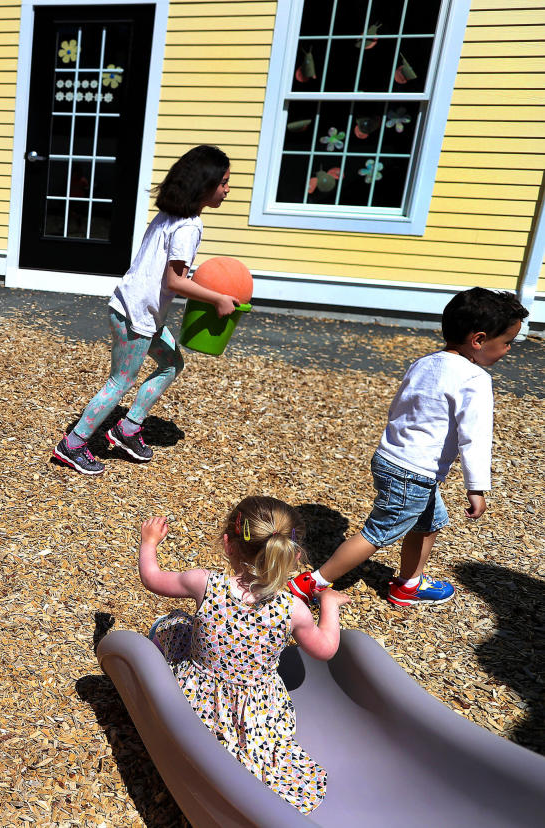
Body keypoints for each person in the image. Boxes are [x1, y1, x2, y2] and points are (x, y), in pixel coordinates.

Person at [289, 288, 528, 607]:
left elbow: (400, 407)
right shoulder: (474, 379)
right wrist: (477, 488)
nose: (509, 350)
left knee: (429, 522)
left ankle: (408, 585)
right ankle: (308, 585)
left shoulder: (426, 362)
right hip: (413, 473)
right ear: (479, 339)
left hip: (391, 459)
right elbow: (475, 437)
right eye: (507, 342)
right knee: (377, 533)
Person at [139, 496, 348, 814]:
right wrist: (330, 605)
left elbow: (152, 578)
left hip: (195, 701)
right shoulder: (292, 608)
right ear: (291, 555)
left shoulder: (204, 583)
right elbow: (325, 648)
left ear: (228, 544)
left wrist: (149, 542)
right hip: (257, 712)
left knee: (174, 624)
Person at [53, 145, 239, 474]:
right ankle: (74, 444)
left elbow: (164, 270)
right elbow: (174, 281)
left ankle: (127, 428)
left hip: (137, 310)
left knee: (170, 364)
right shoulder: (188, 226)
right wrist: (217, 299)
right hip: (136, 316)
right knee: (120, 382)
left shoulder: (171, 216)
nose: (227, 189)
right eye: (223, 182)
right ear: (204, 184)